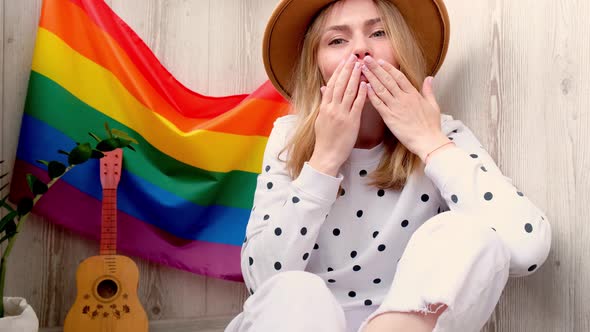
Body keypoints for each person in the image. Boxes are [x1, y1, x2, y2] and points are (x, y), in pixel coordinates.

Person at [225, 0, 552, 331]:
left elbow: (528, 250)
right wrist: (323, 160)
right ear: (317, 67)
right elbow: (263, 281)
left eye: (379, 33)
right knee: (297, 290)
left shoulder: (442, 134)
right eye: (337, 40)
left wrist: (428, 141)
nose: (361, 49)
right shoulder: (289, 138)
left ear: (401, 52)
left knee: (468, 234)